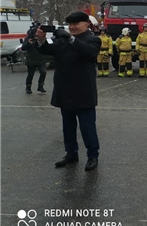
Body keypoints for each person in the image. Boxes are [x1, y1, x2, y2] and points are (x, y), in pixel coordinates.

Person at [35, 11, 101, 171]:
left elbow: (89, 52)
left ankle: (92, 156)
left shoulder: (93, 39)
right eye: (70, 24)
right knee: (68, 126)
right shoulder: (62, 40)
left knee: (87, 127)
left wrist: (71, 39)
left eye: (76, 24)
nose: (72, 27)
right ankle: (71, 153)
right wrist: (41, 40)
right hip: (64, 91)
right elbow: (49, 51)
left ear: (86, 24)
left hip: (83, 92)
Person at [22, 28, 47, 94]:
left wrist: (42, 41)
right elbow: (23, 48)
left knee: (43, 72)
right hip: (31, 59)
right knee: (30, 74)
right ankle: (28, 87)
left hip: (40, 59)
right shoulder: (28, 38)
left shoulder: (40, 38)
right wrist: (28, 43)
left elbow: (45, 46)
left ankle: (40, 86)